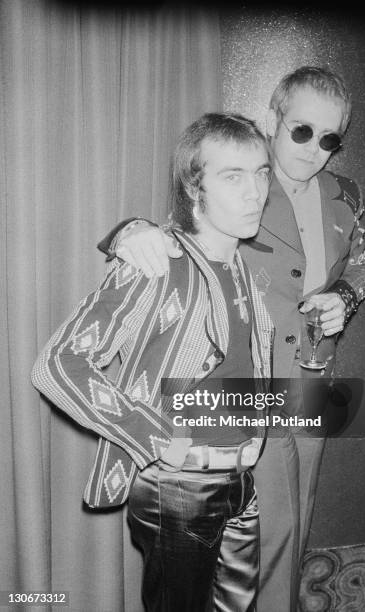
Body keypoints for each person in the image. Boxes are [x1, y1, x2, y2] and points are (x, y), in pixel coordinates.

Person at [99, 67, 365, 611]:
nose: (316, 149)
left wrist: (342, 297)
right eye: (302, 130)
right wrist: (126, 233)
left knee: (298, 516)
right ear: (272, 119)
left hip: (313, 377)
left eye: (330, 138)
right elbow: (176, 227)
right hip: (241, 384)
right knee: (264, 525)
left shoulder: (346, 192)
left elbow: (360, 267)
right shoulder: (245, 179)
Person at [32, 113, 275, 612]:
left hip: (240, 483)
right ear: (194, 187)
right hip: (179, 488)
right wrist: (156, 440)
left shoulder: (244, 269)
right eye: (233, 176)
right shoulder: (158, 262)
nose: (255, 192)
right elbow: (58, 364)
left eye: (261, 172)